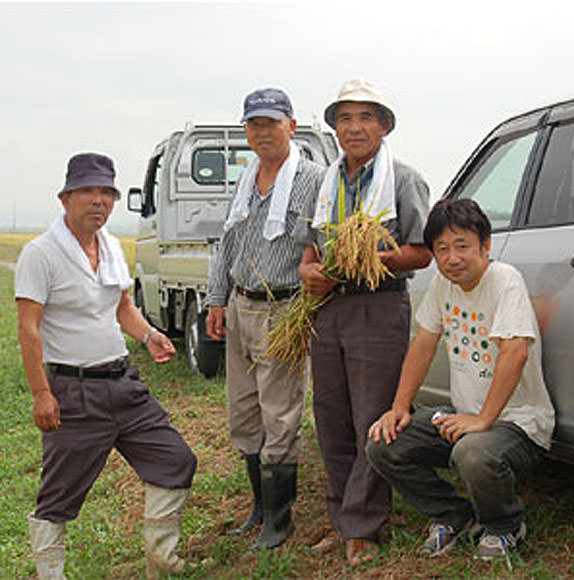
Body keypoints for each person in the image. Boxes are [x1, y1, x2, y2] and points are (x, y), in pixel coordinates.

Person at [15, 153, 197, 580]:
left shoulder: (113, 246)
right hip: (72, 391)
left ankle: (162, 562)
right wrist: (42, 392)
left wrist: (149, 335)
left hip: (123, 384)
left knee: (176, 460)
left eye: (106, 193)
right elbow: (28, 330)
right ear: (66, 198)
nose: (98, 201)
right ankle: (50, 575)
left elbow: (123, 308)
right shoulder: (40, 254)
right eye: (88, 191)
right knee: (57, 496)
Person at [366, 198, 555, 561]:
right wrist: (399, 407)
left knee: (473, 451)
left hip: (518, 422)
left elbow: (515, 352)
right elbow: (423, 344)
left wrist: (483, 419)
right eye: (442, 249)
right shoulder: (443, 283)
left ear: (486, 246)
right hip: (463, 416)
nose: (452, 258)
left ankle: (504, 524)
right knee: (384, 442)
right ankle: (452, 514)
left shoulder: (505, 280)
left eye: (462, 246)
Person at [299, 79, 432, 565]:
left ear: (384, 126)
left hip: (377, 306)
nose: (354, 127)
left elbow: (421, 252)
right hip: (327, 309)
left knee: (372, 419)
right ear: (334, 127)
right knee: (331, 420)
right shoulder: (324, 182)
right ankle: (341, 519)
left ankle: (364, 526)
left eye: (366, 117)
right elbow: (308, 250)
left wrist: (367, 260)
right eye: (345, 118)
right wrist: (310, 271)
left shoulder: (403, 180)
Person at [205, 88, 325, 548]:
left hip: (284, 308)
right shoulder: (246, 178)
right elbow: (228, 241)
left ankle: (280, 516)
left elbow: (322, 241)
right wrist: (217, 298)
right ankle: (259, 505)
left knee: (280, 411)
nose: (262, 132)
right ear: (246, 132)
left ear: (291, 126)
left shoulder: (313, 178)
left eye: (271, 123)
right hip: (240, 305)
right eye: (254, 124)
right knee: (243, 410)